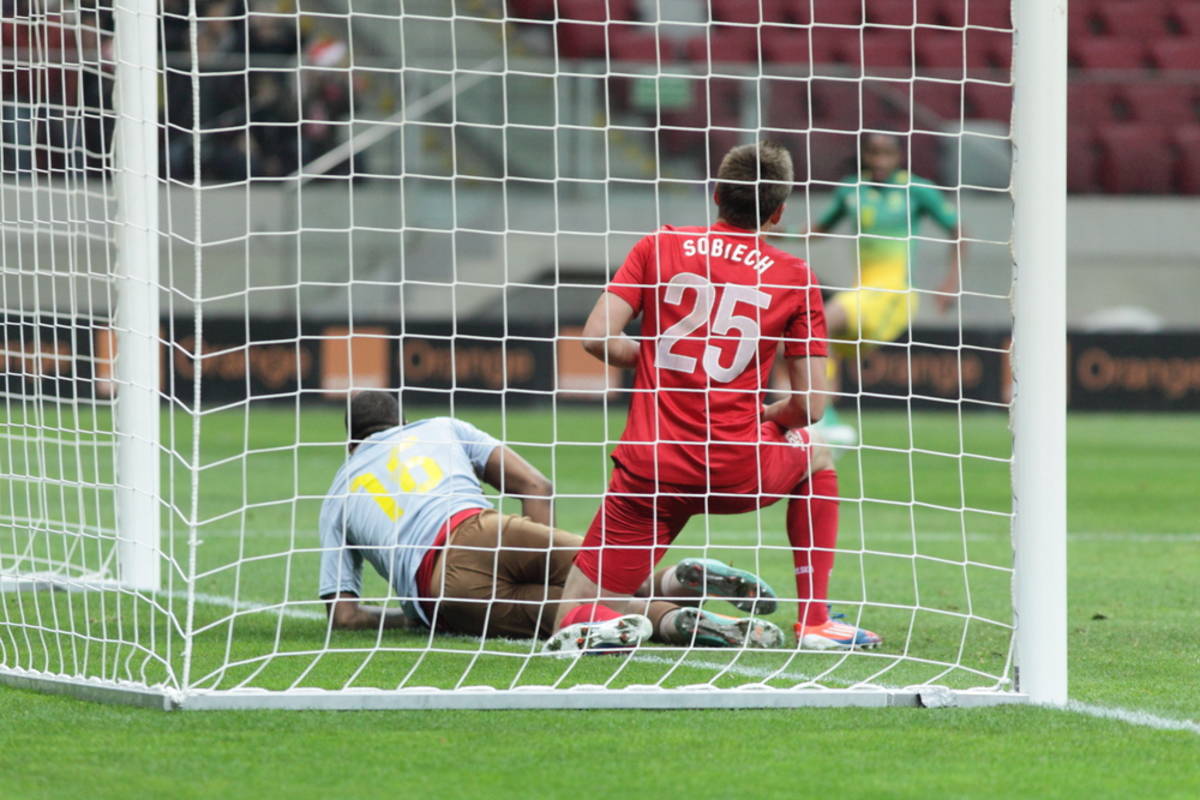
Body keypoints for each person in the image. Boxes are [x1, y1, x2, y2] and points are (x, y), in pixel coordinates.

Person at [547, 142, 881, 654]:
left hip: (652, 471)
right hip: (737, 467)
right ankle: (814, 621)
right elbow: (811, 407)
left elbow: (596, 339)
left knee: (572, 611)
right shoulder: (795, 276)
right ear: (778, 212)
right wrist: (769, 415)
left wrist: (656, 358)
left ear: (717, 194)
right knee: (815, 455)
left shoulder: (659, 246)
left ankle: (617, 621)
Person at [318, 391, 784, 652]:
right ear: (403, 421)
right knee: (594, 579)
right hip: (489, 529)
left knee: (564, 613)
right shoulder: (439, 428)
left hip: (441, 588)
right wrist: (538, 560)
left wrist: (412, 616)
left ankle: (679, 621)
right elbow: (536, 486)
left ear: (351, 445)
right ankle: (677, 580)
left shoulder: (338, 493)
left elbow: (345, 616)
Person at [777, 133, 965, 444]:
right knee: (803, 345)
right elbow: (819, 230)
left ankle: (822, 422)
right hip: (863, 293)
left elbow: (959, 231)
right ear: (864, 155)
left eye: (886, 153)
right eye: (873, 153)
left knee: (814, 326)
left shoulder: (916, 189)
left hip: (894, 294)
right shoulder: (852, 189)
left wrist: (950, 283)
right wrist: (775, 232)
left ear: (899, 156)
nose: (880, 161)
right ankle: (820, 423)